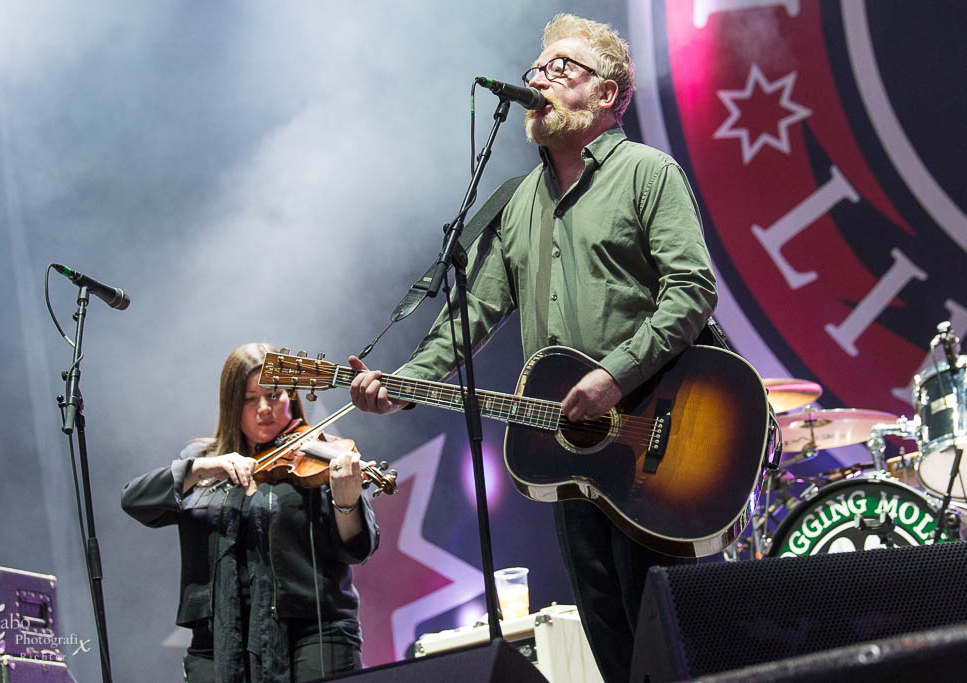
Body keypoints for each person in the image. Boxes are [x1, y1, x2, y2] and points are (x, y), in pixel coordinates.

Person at [348, 13, 716, 682]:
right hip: (573, 453)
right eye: (536, 69)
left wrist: (614, 375)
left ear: (605, 93)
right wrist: (404, 382)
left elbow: (691, 292)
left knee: (669, 642)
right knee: (612, 644)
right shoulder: (518, 202)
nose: (539, 80)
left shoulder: (646, 172)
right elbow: (472, 313)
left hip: (655, 440)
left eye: (560, 68)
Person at [122, 343, 379, 683]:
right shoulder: (204, 462)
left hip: (314, 636)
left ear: (292, 396)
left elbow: (357, 549)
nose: (264, 409)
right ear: (231, 405)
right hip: (217, 643)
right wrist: (200, 468)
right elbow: (134, 500)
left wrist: (346, 502)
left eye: (273, 395)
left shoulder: (324, 455)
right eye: (249, 399)